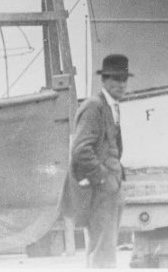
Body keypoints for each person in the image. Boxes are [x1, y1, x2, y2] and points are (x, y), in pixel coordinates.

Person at [70, 54, 131, 267]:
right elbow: (80, 150)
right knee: (102, 253)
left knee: (105, 249)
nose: (121, 84)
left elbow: (113, 147)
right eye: (116, 79)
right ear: (104, 80)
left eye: (124, 79)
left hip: (111, 189)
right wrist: (103, 178)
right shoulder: (94, 106)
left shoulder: (111, 106)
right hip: (102, 191)